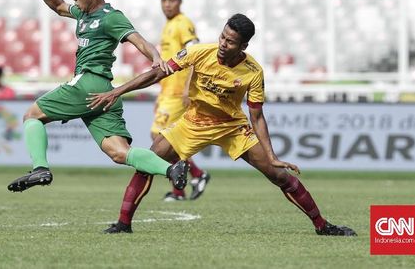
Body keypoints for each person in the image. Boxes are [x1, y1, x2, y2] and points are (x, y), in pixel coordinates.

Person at [89, 13, 357, 236]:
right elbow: (157, 73)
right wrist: (117, 91)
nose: (223, 44)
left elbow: (257, 116)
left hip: (232, 127)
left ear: (243, 47)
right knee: (147, 161)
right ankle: (123, 224)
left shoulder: (253, 72)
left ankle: (323, 226)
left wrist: (272, 156)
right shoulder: (198, 53)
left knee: (279, 176)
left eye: (231, 42)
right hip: (192, 122)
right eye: (223, 37)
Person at [6, 0, 188, 193]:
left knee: (32, 115)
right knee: (119, 152)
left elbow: (138, 40)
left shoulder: (111, 17)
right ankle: (172, 170)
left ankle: (40, 167)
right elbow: (58, 5)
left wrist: (155, 57)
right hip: (102, 93)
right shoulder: (83, 13)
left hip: (87, 82)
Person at [154, 0, 210, 202]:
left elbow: (196, 54)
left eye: (172, 0)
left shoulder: (183, 23)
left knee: (160, 139)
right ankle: (188, 183)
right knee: (168, 140)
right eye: (164, 0)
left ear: (180, 1)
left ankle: (192, 179)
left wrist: (189, 87)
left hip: (179, 93)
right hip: (168, 91)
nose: (167, 4)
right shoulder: (168, 25)